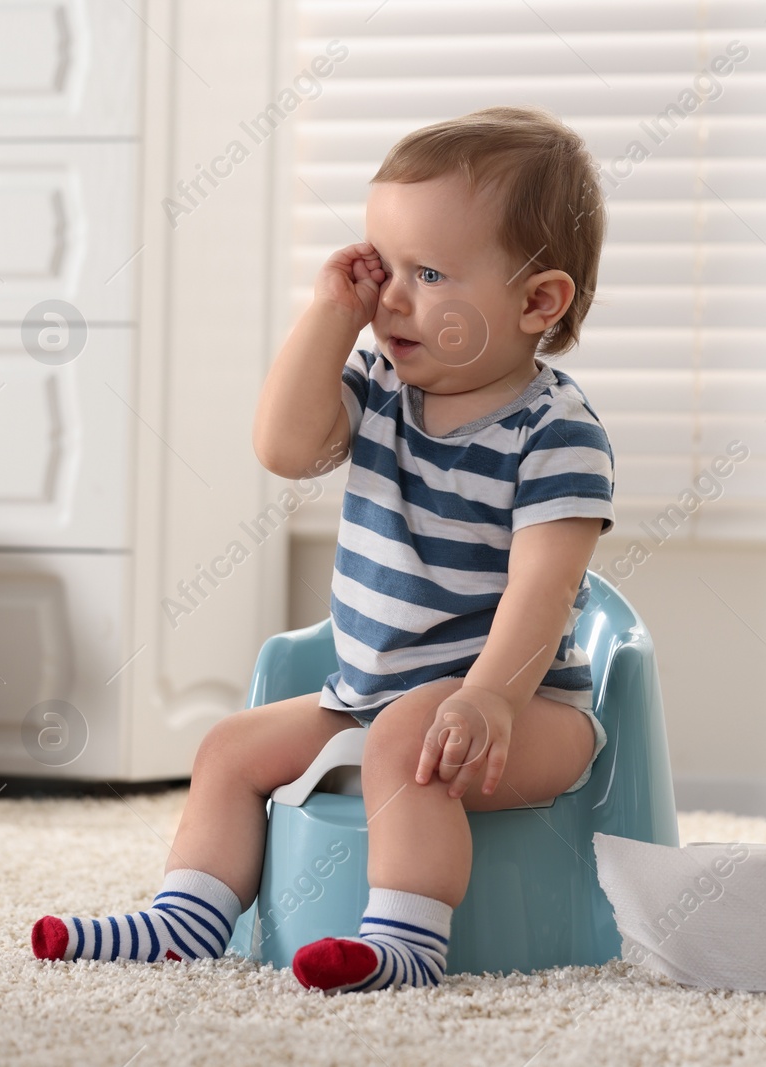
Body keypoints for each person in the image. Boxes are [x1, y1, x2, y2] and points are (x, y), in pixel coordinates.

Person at [31, 106, 615, 994]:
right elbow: (284, 447)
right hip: (366, 696)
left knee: (406, 738)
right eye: (382, 267)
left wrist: (490, 697)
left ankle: (410, 940)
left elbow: (545, 589)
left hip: (526, 715)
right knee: (230, 744)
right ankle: (189, 913)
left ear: (537, 300)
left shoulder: (555, 429)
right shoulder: (380, 386)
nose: (391, 298)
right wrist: (328, 319)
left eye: (427, 273)